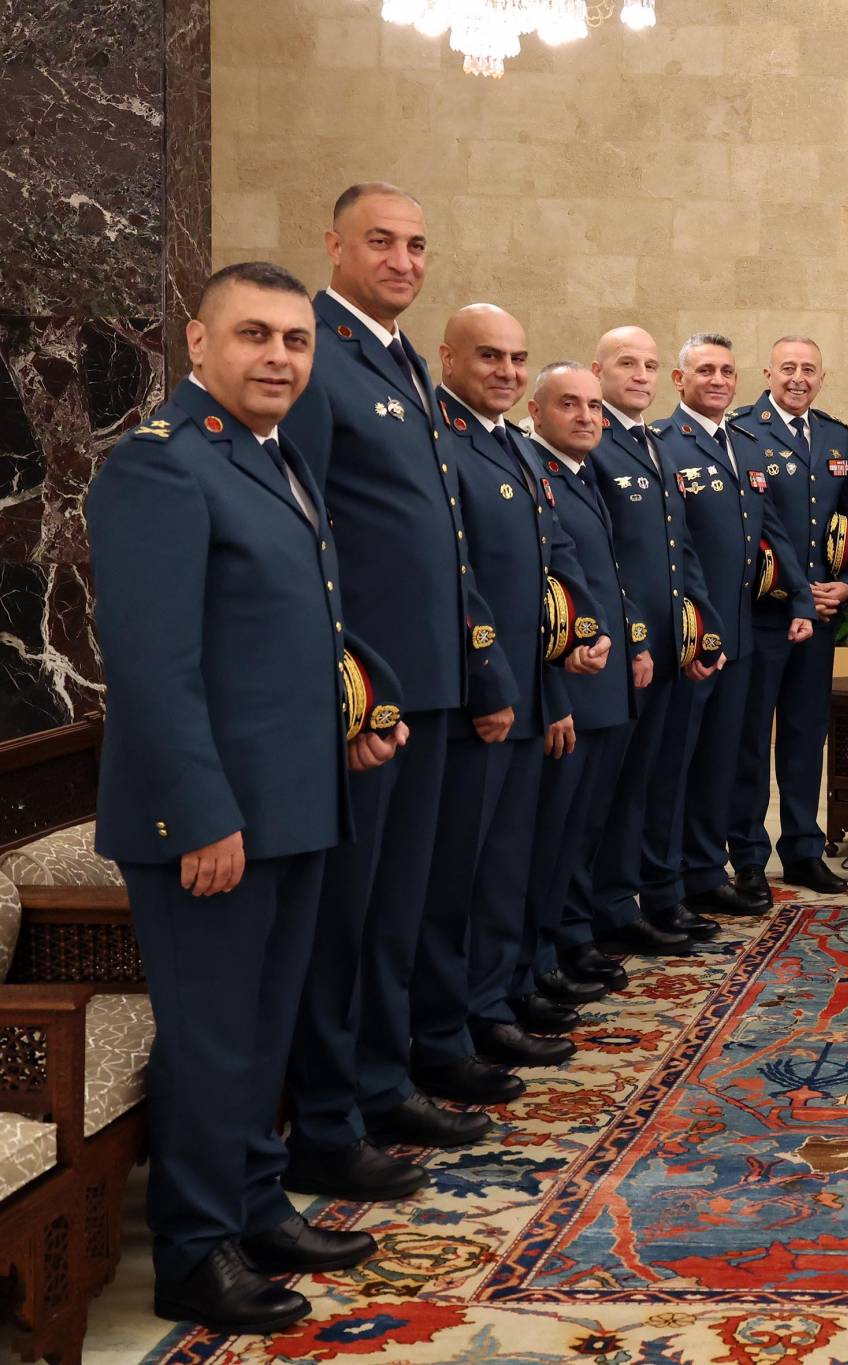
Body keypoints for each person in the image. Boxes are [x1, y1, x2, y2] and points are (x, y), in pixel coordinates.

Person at [90, 262, 400, 1331]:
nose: (279, 358)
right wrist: (199, 814)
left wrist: (358, 718)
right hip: (212, 823)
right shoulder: (161, 468)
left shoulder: (267, 458)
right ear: (198, 342)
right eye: (256, 336)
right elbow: (153, 664)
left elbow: (291, 635)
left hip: (295, 802)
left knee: (265, 1029)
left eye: (296, 341)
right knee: (215, 1035)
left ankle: (256, 1203)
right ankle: (193, 1250)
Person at [279, 183, 494, 1197]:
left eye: (417, 243)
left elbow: (440, 537)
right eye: (381, 241)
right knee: (350, 916)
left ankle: (379, 1076)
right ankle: (325, 1122)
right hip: (368, 698)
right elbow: (307, 534)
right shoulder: (317, 352)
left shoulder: (403, 360)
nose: (404, 260)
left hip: (430, 685)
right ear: (334, 246)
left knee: (402, 907)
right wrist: (352, 683)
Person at [419, 306, 610, 1102]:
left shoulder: (507, 448)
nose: (503, 369)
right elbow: (457, 580)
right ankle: (452, 1025)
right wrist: (496, 683)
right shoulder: (443, 442)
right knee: (461, 876)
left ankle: (492, 1001)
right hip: (478, 700)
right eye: (488, 356)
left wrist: (577, 648)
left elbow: (552, 561)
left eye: (515, 357)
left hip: (531, 692)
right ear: (448, 358)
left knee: (506, 867)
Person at [646, 333, 815, 918]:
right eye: (705, 371)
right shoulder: (663, 444)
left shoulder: (745, 445)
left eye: (726, 372)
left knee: (724, 761)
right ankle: (662, 883)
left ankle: (702, 869)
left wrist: (800, 599)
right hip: (692, 636)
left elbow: (776, 533)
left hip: (741, 635)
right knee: (679, 764)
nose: (718, 381)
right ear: (679, 379)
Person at [579, 325, 719, 963]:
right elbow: (601, 557)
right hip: (626, 648)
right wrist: (636, 632)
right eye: (626, 364)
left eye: (650, 365)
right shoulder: (596, 443)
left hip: (670, 643)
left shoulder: (652, 442)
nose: (640, 376)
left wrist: (701, 623)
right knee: (612, 786)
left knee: (655, 776)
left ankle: (640, 895)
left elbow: (678, 547)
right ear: (597, 369)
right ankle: (606, 907)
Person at [517, 361, 651, 1014]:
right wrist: (555, 694)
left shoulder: (581, 473)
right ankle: (538, 960)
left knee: (579, 831)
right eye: (569, 405)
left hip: (604, 682)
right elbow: (538, 595)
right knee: (548, 838)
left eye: (594, 407)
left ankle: (564, 938)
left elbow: (604, 573)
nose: (587, 417)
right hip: (569, 690)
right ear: (536, 411)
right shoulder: (533, 472)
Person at [726, 336, 848, 897]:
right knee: (753, 736)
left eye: (809, 369)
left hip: (822, 616)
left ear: (822, 377)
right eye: (788, 368)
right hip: (763, 612)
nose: (798, 378)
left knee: (807, 736)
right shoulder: (741, 431)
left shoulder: (835, 436)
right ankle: (750, 855)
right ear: (768, 373)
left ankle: (804, 848)